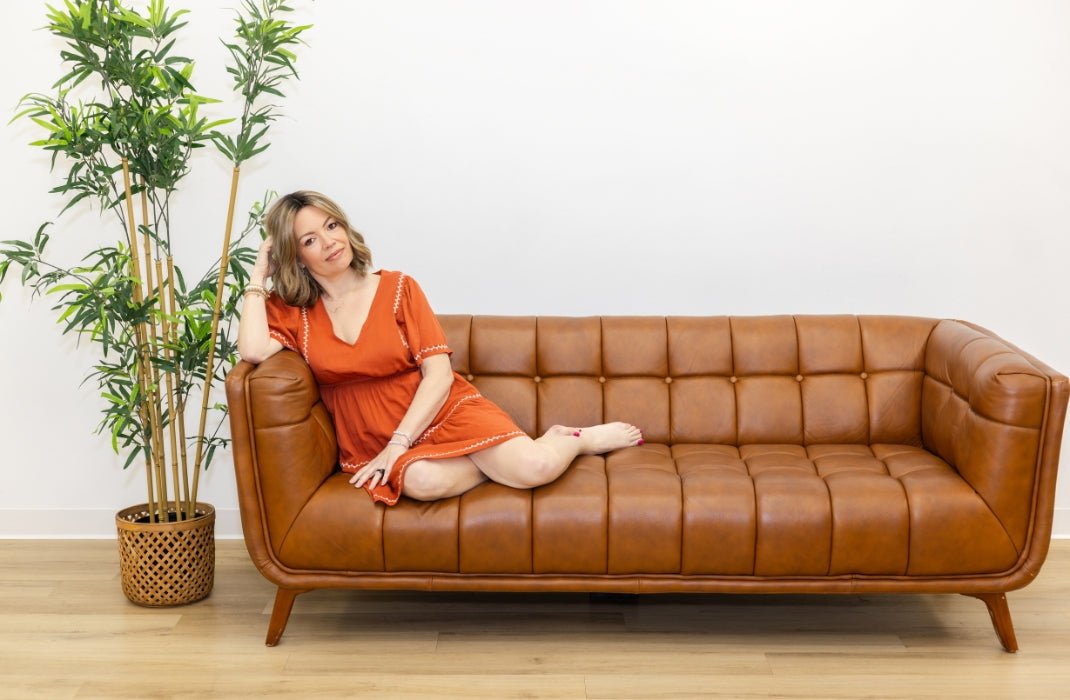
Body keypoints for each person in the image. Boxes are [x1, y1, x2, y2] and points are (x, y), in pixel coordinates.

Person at [237, 191, 644, 506]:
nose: (329, 242)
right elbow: (253, 349)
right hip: (371, 435)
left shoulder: (399, 288)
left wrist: (399, 442)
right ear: (297, 258)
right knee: (422, 481)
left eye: (331, 226)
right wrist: (258, 273)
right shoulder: (296, 312)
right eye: (310, 239)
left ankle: (572, 438)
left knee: (536, 466)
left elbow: (439, 375)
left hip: (439, 411)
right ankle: (493, 463)